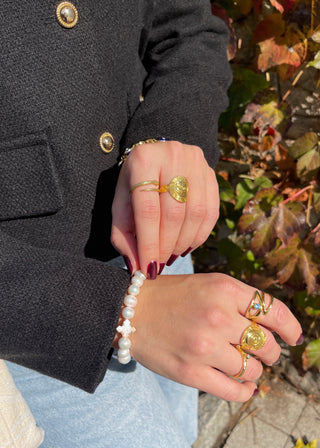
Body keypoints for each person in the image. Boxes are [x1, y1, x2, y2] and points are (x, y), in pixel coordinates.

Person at [0, 0, 302, 446]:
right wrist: (120, 311)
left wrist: (172, 131)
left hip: (161, 230)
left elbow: (190, 28)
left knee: (182, 426)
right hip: (36, 307)